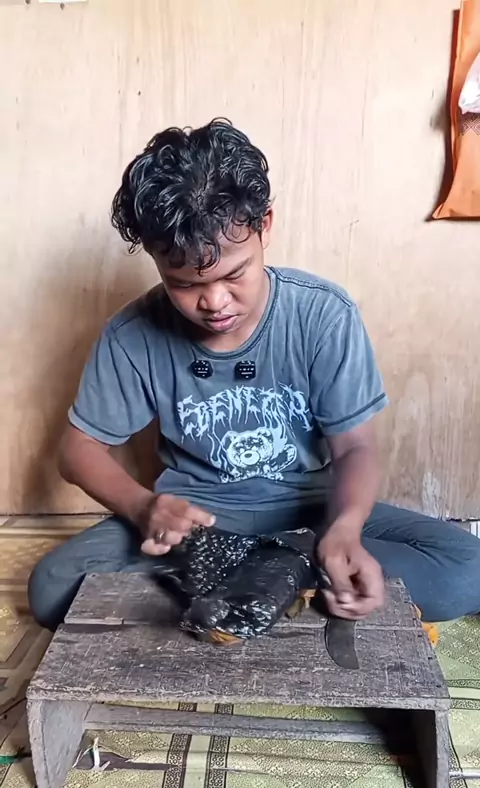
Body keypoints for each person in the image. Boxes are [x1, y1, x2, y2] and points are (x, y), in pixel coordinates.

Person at [28, 119, 480, 632]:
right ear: (155, 258)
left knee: (469, 567)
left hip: (309, 513)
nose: (214, 302)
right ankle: (269, 585)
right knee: (52, 586)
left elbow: (355, 446)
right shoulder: (133, 333)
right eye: (183, 284)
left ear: (265, 225)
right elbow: (77, 450)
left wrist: (346, 528)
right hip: (195, 527)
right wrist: (144, 506)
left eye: (234, 273)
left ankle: (272, 572)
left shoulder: (322, 315)